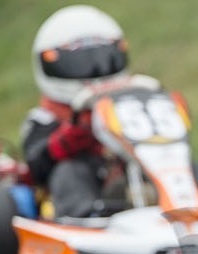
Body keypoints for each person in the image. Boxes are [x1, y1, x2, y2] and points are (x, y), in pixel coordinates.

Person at [20, 4, 130, 218]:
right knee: (69, 171)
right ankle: (88, 217)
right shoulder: (44, 118)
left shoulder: (128, 107)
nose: (93, 71)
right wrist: (61, 144)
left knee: (181, 164)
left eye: (100, 59)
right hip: (81, 185)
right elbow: (35, 166)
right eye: (79, 62)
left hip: (130, 174)